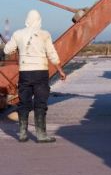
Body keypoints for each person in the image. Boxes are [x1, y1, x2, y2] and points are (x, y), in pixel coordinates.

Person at [3, 10, 66, 143]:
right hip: (41, 73)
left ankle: (22, 133)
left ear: (27, 20)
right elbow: (52, 54)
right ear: (39, 21)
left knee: (23, 102)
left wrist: (17, 47)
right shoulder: (45, 34)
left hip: (25, 73)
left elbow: (7, 50)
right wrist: (60, 71)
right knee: (40, 103)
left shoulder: (18, 34)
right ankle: (41, 135)